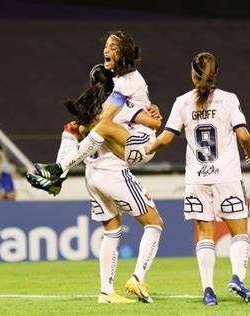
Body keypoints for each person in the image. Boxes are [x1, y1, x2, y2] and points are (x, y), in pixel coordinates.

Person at [26, 64, 164, 304]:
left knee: (111, 232)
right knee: (154, 224)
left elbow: (71, 131)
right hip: (114, 174)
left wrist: (63, 167)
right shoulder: (121, 104)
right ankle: (137, 278)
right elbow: (154, 124)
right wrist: (153, 113)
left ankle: (106, 292)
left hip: (93, 176)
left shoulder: (88, 111)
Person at [145, 52, 250, 305]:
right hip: (227, 177)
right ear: (216, 73)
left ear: (192, 74)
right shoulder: (228, 100)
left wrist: (145, 150)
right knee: (240, 232)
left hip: (197, 179)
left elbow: (164, 139)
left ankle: (208, 291)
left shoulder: (182, 102)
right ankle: (237, 278)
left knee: (205, 234)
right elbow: (243, 135)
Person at [33, 31, 156, 181]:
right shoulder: (117, 77)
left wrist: (85, 127)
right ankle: (56, 180)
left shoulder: (126, 81)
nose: (106, 50)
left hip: (142, 144)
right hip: (125, 140)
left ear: (123, 53)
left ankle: (58, 169)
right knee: (73, 127)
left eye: (113, 47)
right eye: (106, 46)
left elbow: (104, 118)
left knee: (101, 126)